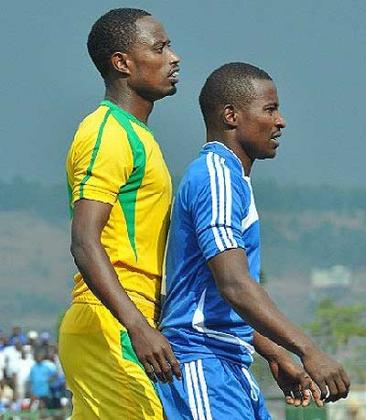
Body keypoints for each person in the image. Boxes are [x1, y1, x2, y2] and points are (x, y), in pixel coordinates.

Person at [157, 62, 350, 419]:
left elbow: (224, 294)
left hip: (229, 364)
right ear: (231, 115)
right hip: (202, 360)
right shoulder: (216, 178)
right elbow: (234, 284)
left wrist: (277, 354)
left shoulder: (233, 180)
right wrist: (309, 350)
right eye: (270, 109)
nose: (281, 122)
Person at [58, 7, 181, 419]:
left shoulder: (137, 135)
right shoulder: (106, 133)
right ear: (123, 63)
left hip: (128, 321)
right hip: (112, 323)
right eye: (160, 48)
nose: (174, 57)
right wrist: (138, 326)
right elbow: (84, 240)